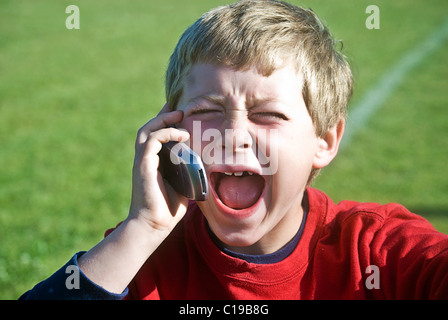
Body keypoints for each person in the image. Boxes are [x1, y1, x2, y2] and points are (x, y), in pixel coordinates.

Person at [20, 0, 448, 300]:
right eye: (207, 109)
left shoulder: (373, 253)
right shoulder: (144, 256)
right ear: (171, 128)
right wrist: (142, 230)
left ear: (326, 140)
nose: (233, 134)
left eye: (269, 115)